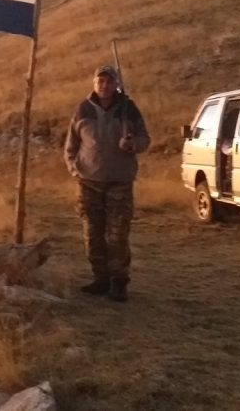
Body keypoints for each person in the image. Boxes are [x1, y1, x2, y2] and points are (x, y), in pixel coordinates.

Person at [63, 65, 150, 302]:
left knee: (117, 235)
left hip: (119, 182)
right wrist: (75, 170)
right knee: (92, 234)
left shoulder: (128, 109)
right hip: (88, 183)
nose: (104, 86)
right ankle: (100, 279)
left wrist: (132, 145)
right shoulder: (83, 109)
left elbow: (144, 139)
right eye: (100, 81)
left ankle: (119, 282)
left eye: (109, 81)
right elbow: (71, 146)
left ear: (116, 84)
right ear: (94, 83)